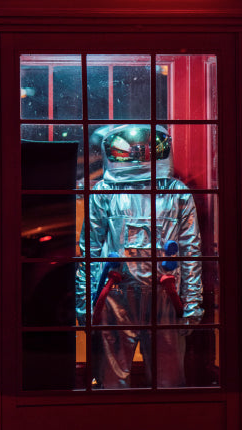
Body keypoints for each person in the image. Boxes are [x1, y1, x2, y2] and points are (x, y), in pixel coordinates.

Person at [75, 124, 203, 388]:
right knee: (112, 381)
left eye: (143, 151)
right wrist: (85, 302)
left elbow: (191, 250)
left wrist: (192, 302)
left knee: (168, 382)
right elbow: (91, 251)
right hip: (123, 293)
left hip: (161, 294)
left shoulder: (176, 192)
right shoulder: (105, 192)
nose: (138, 157)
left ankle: (160, 426)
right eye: (131, 151)